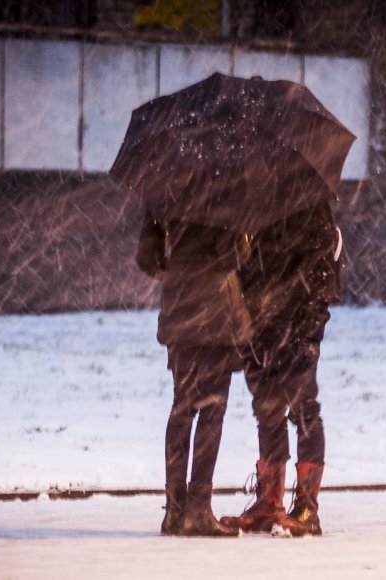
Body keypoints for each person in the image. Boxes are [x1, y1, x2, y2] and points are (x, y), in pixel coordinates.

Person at [220, 200, 343, 537]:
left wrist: (307, 326)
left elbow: (323, 269)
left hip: (297, 321)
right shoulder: (253, 197)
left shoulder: (309, 200)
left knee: (303, 409)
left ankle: (307, 508)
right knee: (268, 409)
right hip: (261, 320)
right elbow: (246, 261)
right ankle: (269, 501)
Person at [136, 215, 252, 537]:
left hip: (179, 306)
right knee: (212, 408)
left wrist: (177, 272)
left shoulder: (166, 186)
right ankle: (199, 510)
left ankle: (174, 510)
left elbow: (147, 258)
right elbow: (232, 256)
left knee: (182, 406)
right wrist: (244, 237)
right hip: (215, 311)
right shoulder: (224, 193)